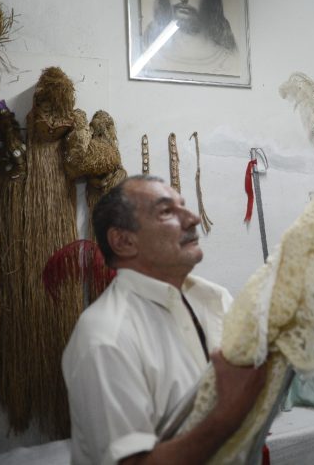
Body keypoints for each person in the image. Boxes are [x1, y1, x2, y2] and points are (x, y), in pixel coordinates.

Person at [62, 175, 266, 465]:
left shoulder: (216, 300)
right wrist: (226, 417)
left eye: (184, 206)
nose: (194, 218)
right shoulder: (105, 337)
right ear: (123, 241)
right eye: (167, 211)